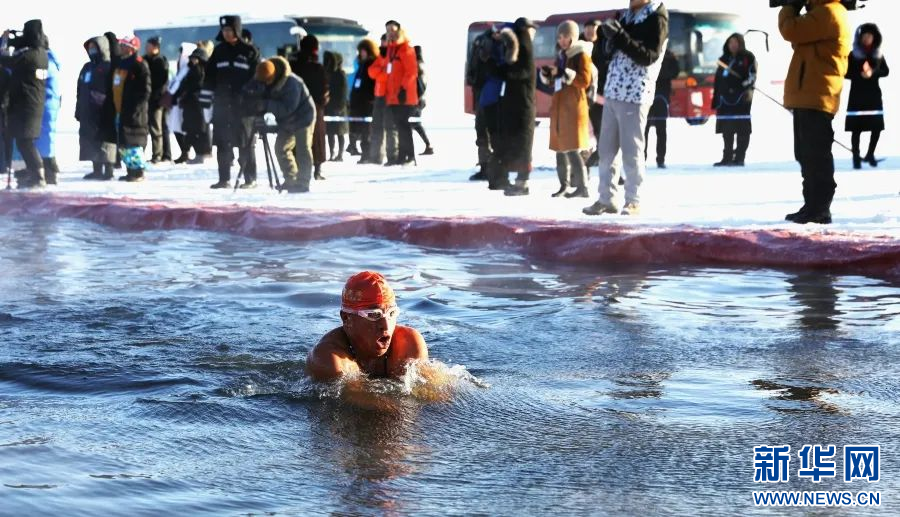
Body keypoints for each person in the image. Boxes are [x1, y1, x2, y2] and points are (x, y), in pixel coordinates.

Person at [583, 0, 669, 217]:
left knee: (632, 150)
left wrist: (620, 37)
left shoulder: (656, 18)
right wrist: (607, 41)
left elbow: (649, 56)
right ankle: (606, 198)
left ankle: (633, 200)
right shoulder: (627, 16)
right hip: (613, 89)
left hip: (635, 92)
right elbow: (612, 53)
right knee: (606, 150)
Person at [779, 0, 851, 225]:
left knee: (815, 155)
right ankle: (811, 205)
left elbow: (790, 30)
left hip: (817, 95)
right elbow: (799, 40)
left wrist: (790, 6)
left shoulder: (829, 12)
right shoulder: (821, 13)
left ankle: (819, 208)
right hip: (809, 95)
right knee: (805, 154)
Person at [307, 271, 428, 381]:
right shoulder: (329, 359)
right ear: (346, 318)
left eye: (391, 313)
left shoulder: (409, 343)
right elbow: (360, 402)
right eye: (374, 315)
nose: (385, 325)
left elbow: (435, 395)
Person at [202, 15, 260, 189]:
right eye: (224, 30)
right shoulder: (219, 52)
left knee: (245, 144)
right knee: (222, 144)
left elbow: (257, 80)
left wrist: (254, 103)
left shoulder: (250, 52)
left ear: (237, 30)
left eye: (229, 30)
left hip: (244, 108)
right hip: (222, 106)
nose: (226, 33)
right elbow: (209, 77)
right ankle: (223, 179)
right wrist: (205, 100)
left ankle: (250, 179)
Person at [539, 20, 593, 199]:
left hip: (574, 105)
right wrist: (549, 75)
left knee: (573, 148)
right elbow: (559, 79)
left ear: (573, 37)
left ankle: (582, 187)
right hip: (560, 105)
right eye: (560, 37)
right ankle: (564, 185)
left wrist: (564, 74)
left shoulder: (581, 54)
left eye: (566, 37)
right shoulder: (562, 54)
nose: (562, 40)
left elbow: (585, 80)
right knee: (560, 148)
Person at [255, 57, 315, 193]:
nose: (265, 84)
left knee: (303, 150)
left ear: (274, 76)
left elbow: (288, 108)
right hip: (286, 121)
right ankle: (290, 179)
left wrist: (266, 104)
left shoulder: (292, 83)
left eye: (267, 81)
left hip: (303, 118)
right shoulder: (265, 79)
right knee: (280, 148)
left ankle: (303, 182)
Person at [0, 20, 48, 189]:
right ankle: (31, 173)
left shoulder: (30, 56)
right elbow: (22, 45)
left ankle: (38, 175)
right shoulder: (40, 53)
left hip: (26, 106)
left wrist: (4, 42)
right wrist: (10, 39)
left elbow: (7, 61)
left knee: (25, 142)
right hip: (29, 105)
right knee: (24, 142)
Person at [493, 17, 538, 196]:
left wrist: (507, 69)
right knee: (521, 143)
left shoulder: (524, 47)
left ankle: (522, 183)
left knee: (523, 143)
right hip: (521, 104)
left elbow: (521, 72)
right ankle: (520, 182)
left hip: (522, 104)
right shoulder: (524, 46)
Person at [845, 23, 889, 169]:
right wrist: (860, 75)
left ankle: (870, 153)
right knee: (856, 128)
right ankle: (856, 157)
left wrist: (873, 73)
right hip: (857, 95)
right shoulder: (853, 55)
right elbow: (846, 73)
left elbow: (886, 71)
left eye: (869, 36)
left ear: (874, 38)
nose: (867, 39)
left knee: (876, 127)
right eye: (864, 36)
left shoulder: (878, 54)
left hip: (873, 96)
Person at [110, 35, 151, 182]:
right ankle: (130, 171)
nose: (120, 47)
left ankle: (138, 172)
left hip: (134, 113)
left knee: (134, 144)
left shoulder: (139, 64)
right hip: (121, 110)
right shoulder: (121, 64)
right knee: (124, 143)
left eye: (124, 45)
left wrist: (136, 108)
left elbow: (145, 90)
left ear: (131, 48)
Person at [712, 34, 756, 167]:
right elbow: (717, 81)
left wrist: (742, 86)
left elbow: (752, 76)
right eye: (730, 42)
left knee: (742, 129)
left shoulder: (748, 57)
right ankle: (727, 157)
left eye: (736, 42)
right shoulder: (723, 59)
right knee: (727, 129)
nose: (733, 45)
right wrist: (715, 98)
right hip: (725, 99)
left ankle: (740, 157)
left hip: (742, 99)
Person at [77, 36, 116, 181]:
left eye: (94, 47)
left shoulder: (108, 66)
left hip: (103, 110)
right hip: (87, 111)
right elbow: (80, 89)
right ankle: (97, 170)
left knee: (105, 141)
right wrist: (78, 109)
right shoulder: (87, 67)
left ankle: (109, 170)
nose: (92, 50)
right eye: (90, 47)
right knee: (90, 140)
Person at [290, 35, 328, 179]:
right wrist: (322, 103)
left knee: (297, 139)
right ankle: (317, 170)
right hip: (315, 108)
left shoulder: (293, 65)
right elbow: (324, 90)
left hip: (295, 107)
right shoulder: (318, 67)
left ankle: (297, 168)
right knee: (316, 139)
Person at [384, 24, 419, 167]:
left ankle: (410, 156)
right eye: (388, 31)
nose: (390, 33)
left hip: (404, 96)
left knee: (404, 126)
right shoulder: (391, 50)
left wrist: (403, 89)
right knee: (399, 126)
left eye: (393, 30)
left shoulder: (406, 49)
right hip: (393, 97)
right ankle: (402, 156)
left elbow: (411, 72)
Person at [174, 47, 211, 165]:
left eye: (196, 58)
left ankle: (201, 153)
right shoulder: (191, 70)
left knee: (199, 130)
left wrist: (187, 93)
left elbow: (197, 86)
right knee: (192, 129)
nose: (194, 61)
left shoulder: (201, 70)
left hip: (197, 104)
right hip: (191, 104)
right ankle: (198, 153)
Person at [644, 49, 678, 168]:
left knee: (661, 129)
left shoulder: (668, 55)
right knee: (644, 129)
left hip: (661, 96)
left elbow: (674, 72)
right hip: (646, 95)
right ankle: (642, 158)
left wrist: (670, 60)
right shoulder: (646, 50)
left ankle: (661, 159)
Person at [166, 42, 197, 164]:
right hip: (177, 101)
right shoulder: (183, 68)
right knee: (175, 127)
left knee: (184, 128)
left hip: (184, 102)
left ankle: (187, 150)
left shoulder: (191, 68)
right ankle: (184, 151)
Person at [36, 36, 61, 184]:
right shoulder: (50, 62)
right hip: (48, 105)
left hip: (47, 106)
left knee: (45, 139)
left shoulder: (47, 64)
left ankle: (51, 172)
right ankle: (50, 171)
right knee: (45, 139)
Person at [349, 38, 377, 163]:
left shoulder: (370, 64)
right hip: (359, 104)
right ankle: (365, 154)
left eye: (362, 51)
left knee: (367, 132)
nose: (360, 53)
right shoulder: (361, 65)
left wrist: (368, 99)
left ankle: (367, 155)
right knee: (362, 131)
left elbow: (370, 85)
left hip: (366, 104)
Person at [144, 36, 169, 164]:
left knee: (156, 128)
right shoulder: (144, 60)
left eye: (148, 46)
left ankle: (157, 155)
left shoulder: (161, 61)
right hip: (146, 99)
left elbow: (163, 82)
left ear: (155, 47)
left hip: (157, 100)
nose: (146, 48)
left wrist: (157, 97)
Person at [324, 51, 349, 162]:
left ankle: (340, 154)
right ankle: (332, 153)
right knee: (330, 132)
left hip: (339, 108)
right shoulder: (328, 74)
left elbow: (343, 92)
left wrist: (340, 107)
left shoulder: (341, 74)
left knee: (340, 132)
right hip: (329, 107)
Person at [412, 45, 433, 156]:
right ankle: (428, 145)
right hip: (421, 99)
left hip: (417, 99)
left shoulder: (417, 66)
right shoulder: (422, 65)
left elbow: (419, 85)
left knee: (415, 123)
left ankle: (428, 145)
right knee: (415, 123)